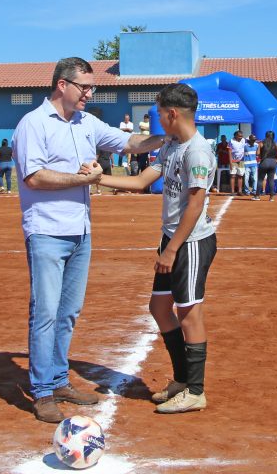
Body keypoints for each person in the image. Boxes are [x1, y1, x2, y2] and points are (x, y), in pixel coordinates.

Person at [11, 56, 163, 423]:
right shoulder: (33, 124)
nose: (90, 93)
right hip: (47, 230)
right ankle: (42, 391)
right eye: (85, 87)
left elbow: (130, 143)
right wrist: (84, 180)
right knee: (45, 312)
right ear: (62, 85)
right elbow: (34, 178)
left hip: (81, 231)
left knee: (68, 312)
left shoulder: (86, 123)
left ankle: (59, 379)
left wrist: (171, 134)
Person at [92, 83, 216, 413]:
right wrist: (97, 179)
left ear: (172, 114)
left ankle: (196, 390)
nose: (157, 119)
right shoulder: (172, 145)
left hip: (189, 243)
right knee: (160, 309)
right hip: (172, 239)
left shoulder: (197, 151)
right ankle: (181, 379)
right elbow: (141, 182)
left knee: (189, 314)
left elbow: (195, 204)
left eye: (160, 113)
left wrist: (172, 249)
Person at [256, 131, 277, 201]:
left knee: (260, 179)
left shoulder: (261, 143)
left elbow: (257, 153)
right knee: (271, 180)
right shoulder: (275, 143)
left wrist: (259, 148)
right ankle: (271, 197)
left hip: (264, 162)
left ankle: (257, 196)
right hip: (273, 162)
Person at [228, 130, 246, 195]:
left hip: (241, 161)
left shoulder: (243, 140)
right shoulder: (231, 141)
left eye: (241, 136)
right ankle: (232, 191)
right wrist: (230, 162)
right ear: (235, 136)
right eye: (239, 136)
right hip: (233, 161)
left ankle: (240, 191)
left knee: (240, 176)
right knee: (233, 176)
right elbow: (229, 152)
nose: (241, 137)